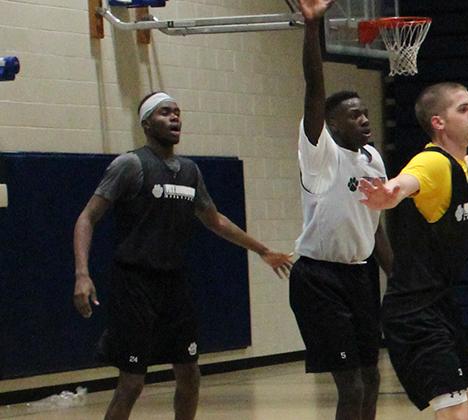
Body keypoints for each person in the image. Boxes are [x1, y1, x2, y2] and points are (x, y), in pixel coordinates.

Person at [73, 91, 293, 420]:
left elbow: (216, 221)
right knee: (132, 382)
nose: (175, 118)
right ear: (147, 123)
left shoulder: (190, 171)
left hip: (173, 284)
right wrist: (82, 274)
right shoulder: (130, 165)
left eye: (177, 112)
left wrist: (263, 250)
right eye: (165, 112)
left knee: (190, 376)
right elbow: (86, 217)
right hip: (135, 284)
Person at [359, 82, 468, 419]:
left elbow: (466, 167)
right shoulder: (431, 163)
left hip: (440, 306)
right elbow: (409, 181)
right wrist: (391, 193)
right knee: (454, 412)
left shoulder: (455, 166)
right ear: (438, 122)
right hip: (414, 315)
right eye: (463, 109)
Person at [289, 1, 394, 419]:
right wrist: (311, 27)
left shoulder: (371, 157)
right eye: (354, 116)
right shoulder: (320, 154)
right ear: (331, 126)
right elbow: (314, 88)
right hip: (319, 277)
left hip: (361, 274)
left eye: (366, 113)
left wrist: (399, 280)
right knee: (349, 386)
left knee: (372, 380)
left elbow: (377, 228)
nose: (365, 119)